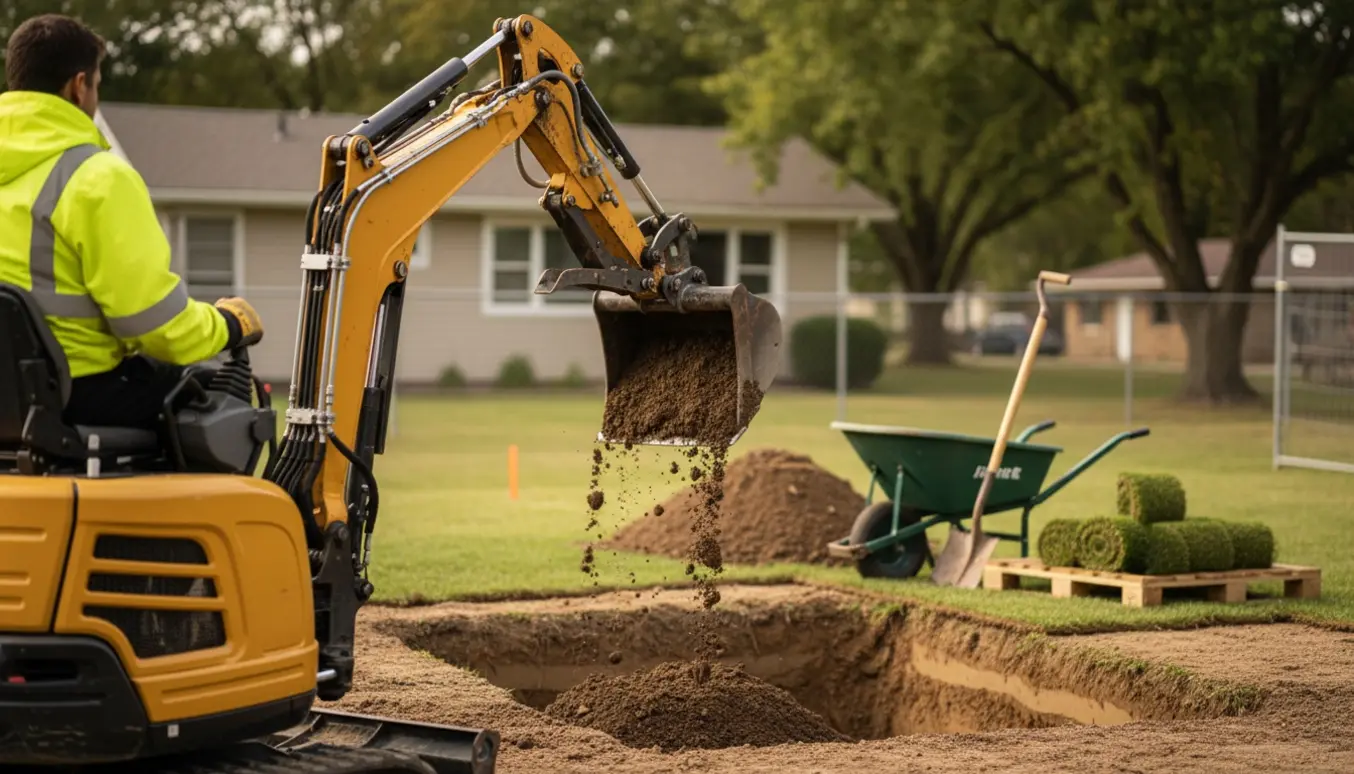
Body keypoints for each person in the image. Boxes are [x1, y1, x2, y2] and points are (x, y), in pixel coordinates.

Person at [0, 13, 265, 432]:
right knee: (224, 405)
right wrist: (228, 325)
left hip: (10, 404)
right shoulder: (97, 178)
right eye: (97, 85)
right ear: (79, 85)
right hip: (73, 397)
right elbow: (159, 328)